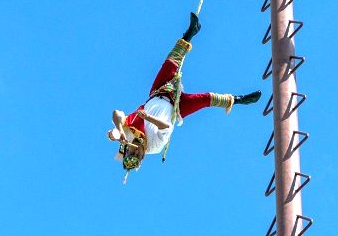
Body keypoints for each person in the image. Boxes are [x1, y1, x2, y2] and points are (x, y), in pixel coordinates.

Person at [107, 12, 261, 181]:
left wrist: (119, 130)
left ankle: (190, 33)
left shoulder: (128, 136)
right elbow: (166, 126)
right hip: (177, 107)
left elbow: (117, 114)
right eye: (137, 154)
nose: (135, 150)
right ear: (142, 157)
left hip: (158, 92)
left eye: (131, 152)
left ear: (126, 149)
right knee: (205, 99)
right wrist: (149, 118)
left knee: (170, 63)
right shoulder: (155, 147)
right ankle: (238, 99)